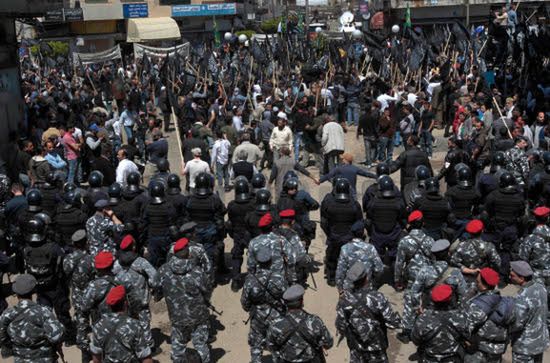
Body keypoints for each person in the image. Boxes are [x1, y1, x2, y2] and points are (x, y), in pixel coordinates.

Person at [336, 262, 401, 363]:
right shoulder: (378, 298)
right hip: (377, 347)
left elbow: (340, 325)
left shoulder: (344, 300)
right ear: (366, 278)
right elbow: (392, 323)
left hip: (356, 348)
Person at [159, 238, 211, 363]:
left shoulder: (163, 270)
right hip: (198, 316)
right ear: (189, 253)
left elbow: (156, 285)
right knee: (200, 344)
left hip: (176, 317)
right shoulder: (197, 272)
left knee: (178, 344)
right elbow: (207, 291)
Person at [0, 274, 65, 362]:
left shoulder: (7, 315)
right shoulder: (43, 312)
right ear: (33, 290)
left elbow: (2, 338)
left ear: (15, 292)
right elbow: (57, 336)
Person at [241, 247, 288, 363]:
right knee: (277, 343)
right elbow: (286, 298)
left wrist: (251, 309)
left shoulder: (250, 279)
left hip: (257, 316)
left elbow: (244, 302)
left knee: (256, 344)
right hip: (276, 315)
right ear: (271, 261)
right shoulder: (279, 278)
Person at [113, 235, 159, 351]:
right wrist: (153, 287)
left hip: (125, 300)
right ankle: (148, 346)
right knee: (144, 322)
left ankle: (132, 345)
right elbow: (154, 276)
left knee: (129, 322)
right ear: (133, 247)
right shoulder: (140, 261)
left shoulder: (117, 263)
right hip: (141, 299)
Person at [266, 284, 333, 362]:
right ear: (302, 302)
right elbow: (328, 343)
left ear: (286, 304)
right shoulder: (315, 321)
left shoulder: (275, 324)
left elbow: (271, 346)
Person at [463, 267, 514, 362]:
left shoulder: (479, 305)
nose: (476, 283)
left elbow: (465, 328)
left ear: (484, 286)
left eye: (477, 282)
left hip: (479, 351)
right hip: (498, 350)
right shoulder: (505, 302)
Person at [90, 285, 153, 363]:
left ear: (109, 306)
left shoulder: (98, 327)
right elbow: (146, 358)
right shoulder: (135, 325)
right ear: (125, 303)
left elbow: (96, 358)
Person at [321, 178, 363, 286]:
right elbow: (359, 223)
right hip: (349, 237)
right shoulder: (354, 204)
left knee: (331, 257)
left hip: (334, 235)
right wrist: (355, 235)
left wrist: (329, 234)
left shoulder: (329, 203)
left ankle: (331, 277)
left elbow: (323, 222)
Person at [62, 230, 95, 360]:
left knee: (81, 324)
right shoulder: (91, 258)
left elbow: (65, 273)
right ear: (86, 242)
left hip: (78, 296)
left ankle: (84, 353)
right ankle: (99, 349)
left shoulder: (68, 259)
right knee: (97, 322)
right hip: (93, 295)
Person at [509, 260, 550, 363]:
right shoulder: (541, 288)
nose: (510, 277)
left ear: (522, 278)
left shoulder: (522, 296)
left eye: (512, 275)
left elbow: (517, 324)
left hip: (524, 347)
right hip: (539, 343)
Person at [247, 212, 296, 284]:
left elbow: (251, 264)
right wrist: (291, 277)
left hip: (260, 282)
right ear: (272, 227)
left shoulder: (253, 242)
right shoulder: (281, 240)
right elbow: (292, 259)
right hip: (279, 282)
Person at [336, 220, 384, 291]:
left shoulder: (345, 248)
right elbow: (379, 269)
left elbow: (340, 272)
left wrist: (340, 289)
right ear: (363, 233)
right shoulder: (370, 248)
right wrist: (373, 282)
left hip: (349, 288)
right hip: (366, 287)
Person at [227, 177, 256, 291]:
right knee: (254, 256)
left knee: (236, 256)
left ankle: (235, 280)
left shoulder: (232, 205)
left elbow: (231, 220)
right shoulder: (253, 203)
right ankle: (255, 279)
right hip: (251, 233)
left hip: (238, 234)